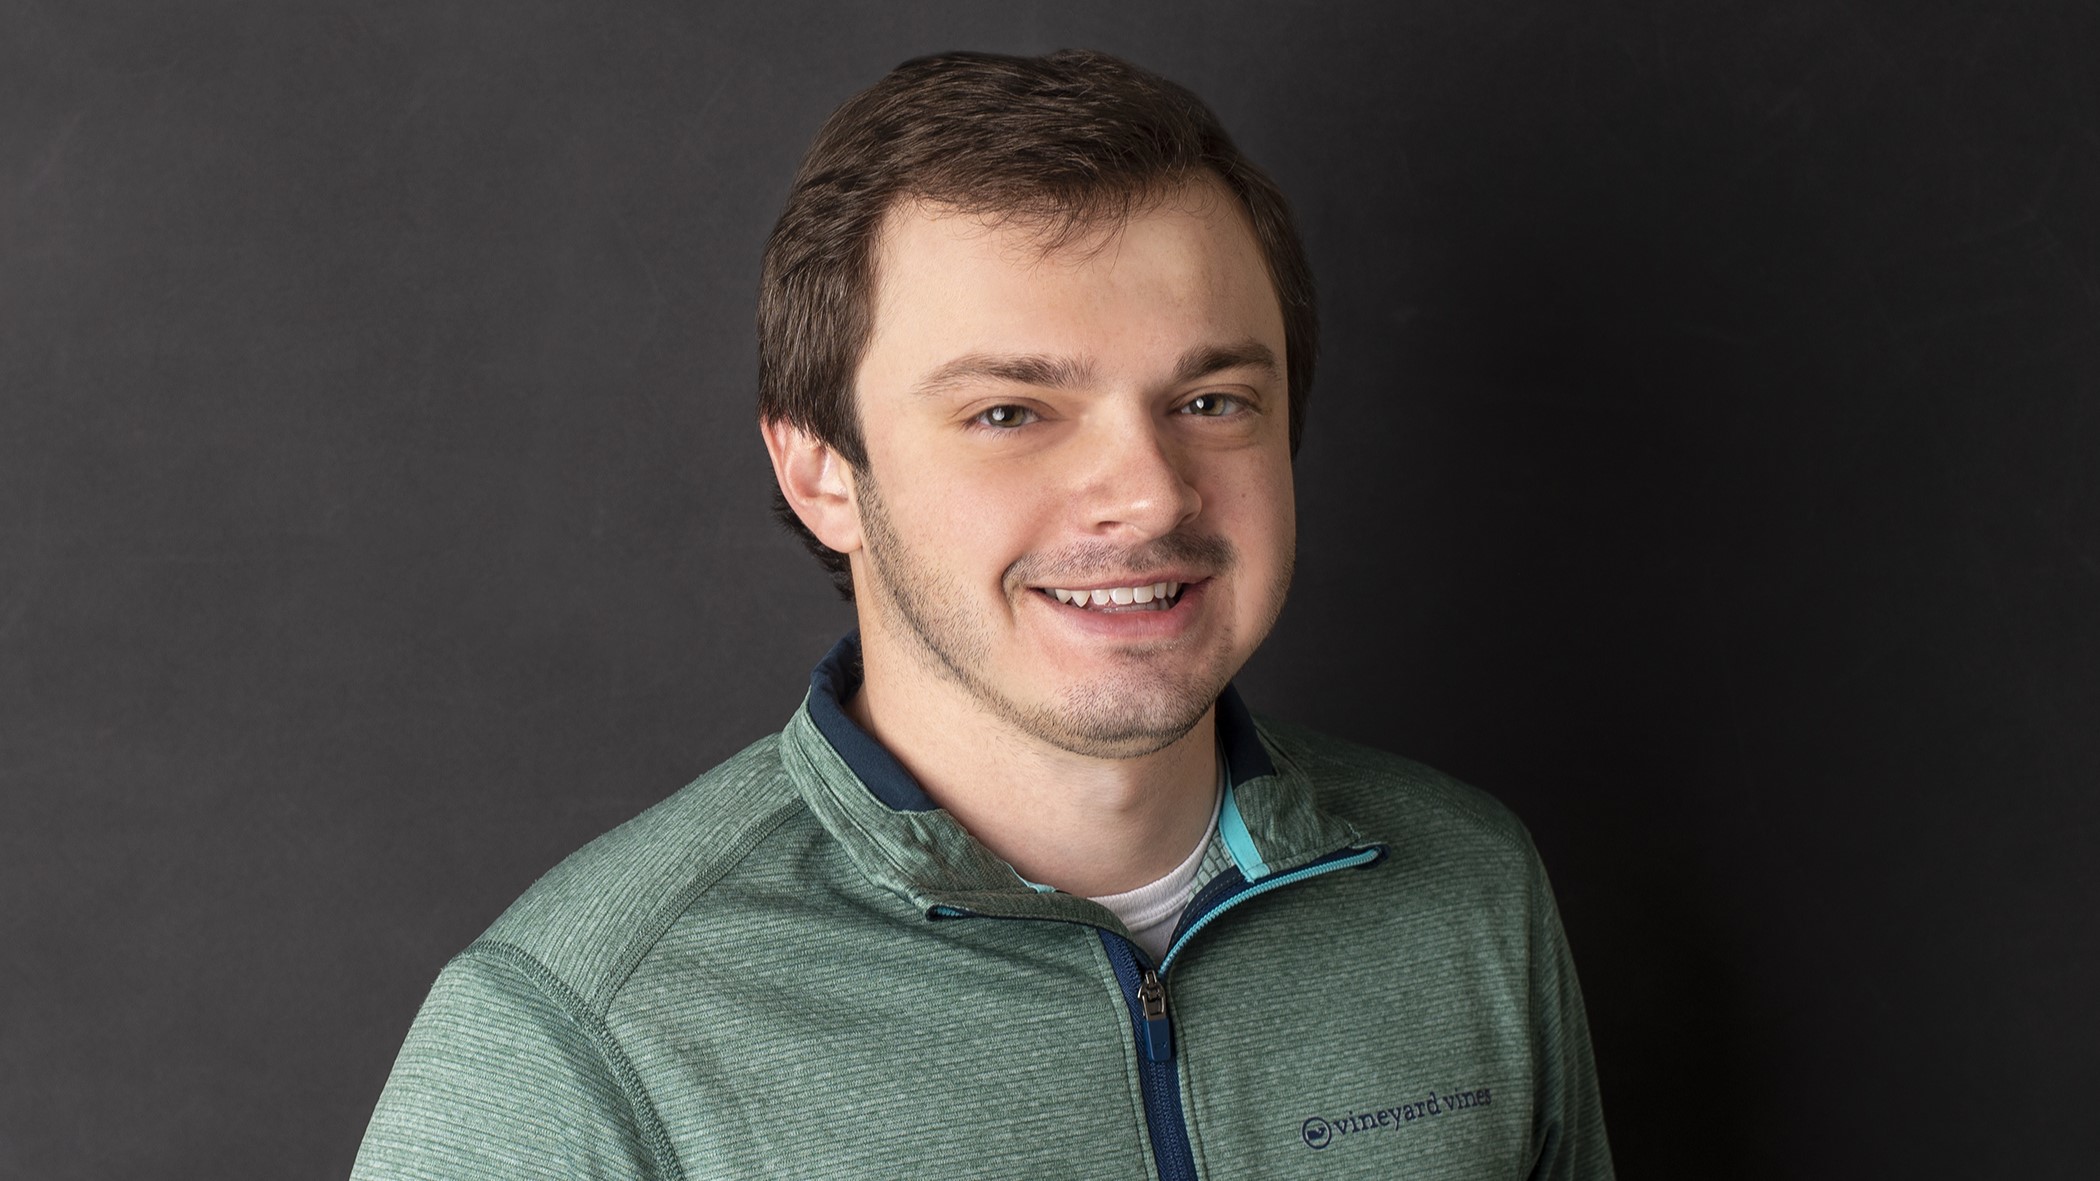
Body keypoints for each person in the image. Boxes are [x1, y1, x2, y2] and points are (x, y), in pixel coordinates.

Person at [353, 49, 1613, 1180]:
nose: (1145, 491)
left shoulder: (1465, 888)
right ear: (821, 473)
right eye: (1010, 411)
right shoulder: (575, 1040)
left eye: (1215, 399)